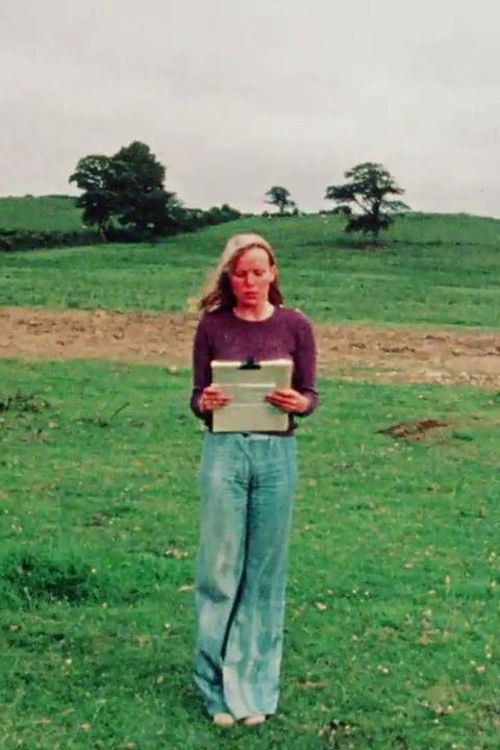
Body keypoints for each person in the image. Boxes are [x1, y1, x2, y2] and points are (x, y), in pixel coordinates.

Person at [190, 232, 318, 727]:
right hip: (224, 451)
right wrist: (205, 402)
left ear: (273, 273)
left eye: (258, 272)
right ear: (229, 277)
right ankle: (214, 689)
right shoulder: (212, 326)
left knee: (265, 574)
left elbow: (310, 393)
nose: (250, 282)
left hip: (276, 455)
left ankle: (255, 690)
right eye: (241, 274)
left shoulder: (296, 326)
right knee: (219, 569)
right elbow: (197, 396)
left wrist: (299, 403)